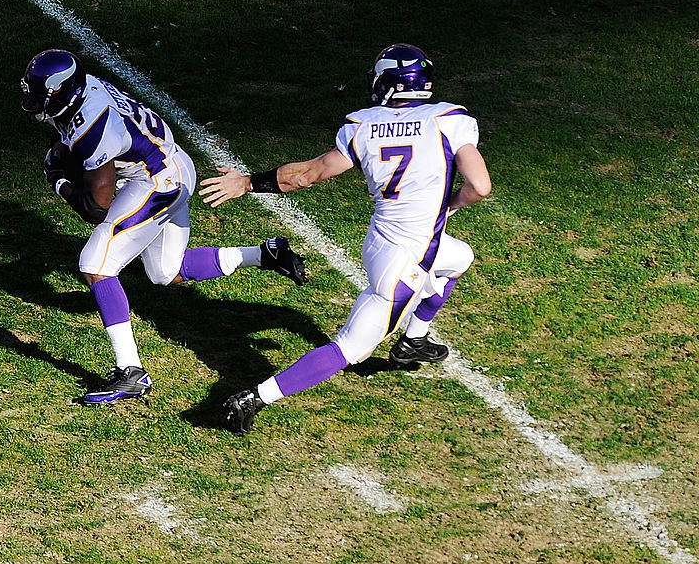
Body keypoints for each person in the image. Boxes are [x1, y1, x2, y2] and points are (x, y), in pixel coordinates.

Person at [199, 44, 492, 434]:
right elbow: (480, 186)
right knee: (349, 350)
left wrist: (248, 182)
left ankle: (414, 340)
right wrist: (450, 206)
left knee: (459, 258)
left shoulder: (364, 126)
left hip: (382, 241)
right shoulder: (449, 120)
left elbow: (306, 175)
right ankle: (254, 397)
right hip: (406, 261)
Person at [20, 49, 309, 404]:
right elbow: (67, 136)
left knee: (96, 263)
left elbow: (96, 206)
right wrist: (63, 156)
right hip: (169, 164)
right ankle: (266, 254)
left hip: (157, 181)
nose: (34, 102)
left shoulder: (94, 125)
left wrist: (59, 181)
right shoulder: (83, 92)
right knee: (164, 272)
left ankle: (131, 373)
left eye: (42, 96)